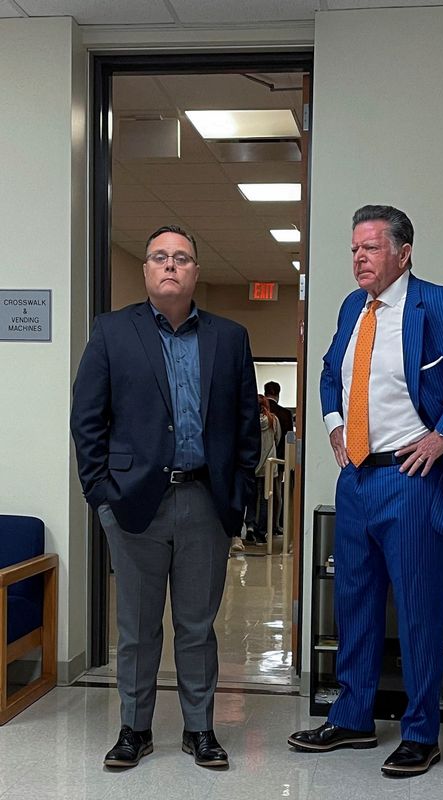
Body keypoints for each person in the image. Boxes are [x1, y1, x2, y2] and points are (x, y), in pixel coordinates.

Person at [288, 205, 443, 777]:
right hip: (357, 477)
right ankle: (353, 717)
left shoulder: (442, 305)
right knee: (354, 604)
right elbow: (328, 371)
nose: (359, 258)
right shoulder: (349, 309)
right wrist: (335, 423)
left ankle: (420, 732)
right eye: (354, 249)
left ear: (403, 252)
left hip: (412, 480)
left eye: (370, 247)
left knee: (418, 610)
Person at [71, 224, 260, 771]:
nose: (170, 265)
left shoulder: (229, 338)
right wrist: (100, 495)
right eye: (160, 257)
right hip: (133, 504)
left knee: (197, 627)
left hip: (206, 501)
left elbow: (247, 426)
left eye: (181, 258)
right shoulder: (112, 332)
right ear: (147, 271)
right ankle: (135, 728)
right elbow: (87, 421)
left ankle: (200, 729)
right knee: (137, 627)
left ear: (196, 271)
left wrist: (239, 494)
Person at [245, 395, 281, 545]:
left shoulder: (249, 422)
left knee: (251, 499)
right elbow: (277, 440)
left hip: (253, 465)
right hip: (268, 466)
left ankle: (250, 525)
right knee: (265, 500)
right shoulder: (274, 420)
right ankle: (261, 532)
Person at [264, 381, 294, 533]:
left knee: (258, 494)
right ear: (278, 393)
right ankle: (274, 525)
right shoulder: (285, 414)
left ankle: (256, 526)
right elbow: (290, 439)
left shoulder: (258, 411)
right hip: (279, 459)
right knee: (277, 493)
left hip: (257, 461)